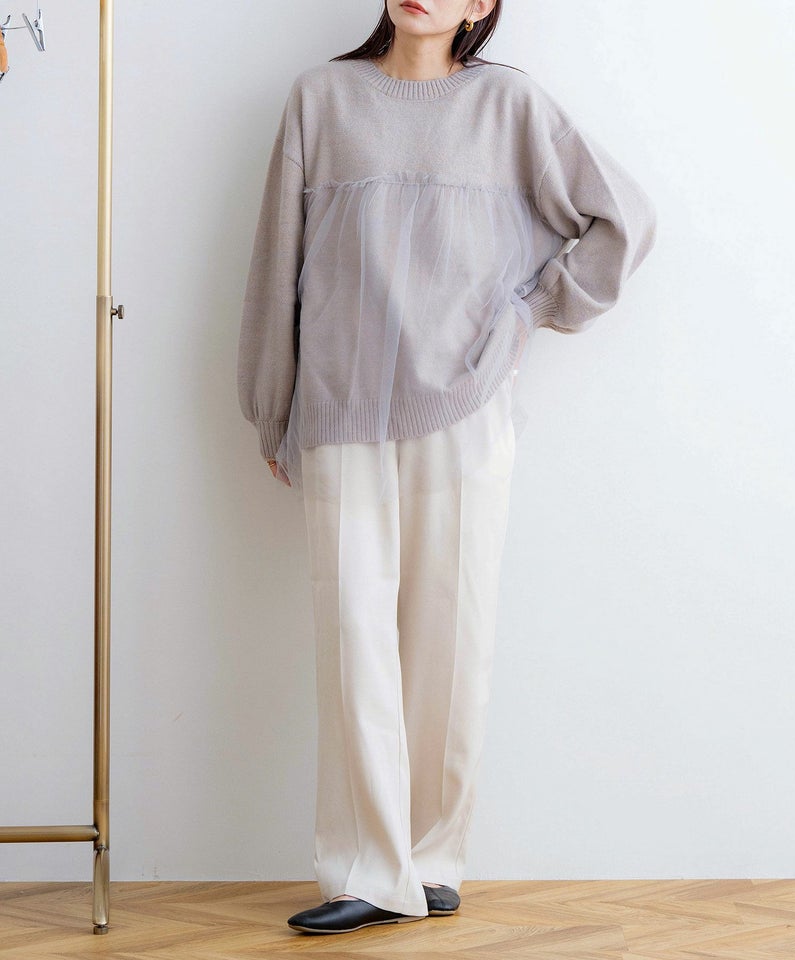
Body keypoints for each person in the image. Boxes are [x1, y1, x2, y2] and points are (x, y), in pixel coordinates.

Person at [237, 0, 657, 936]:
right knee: (353, 634)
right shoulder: (321, 99)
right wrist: (273, 400)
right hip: (341, 400)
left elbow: (621, 219)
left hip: (464, 404)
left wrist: (528, 312)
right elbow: (276, 258)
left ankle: (431, 860)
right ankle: (365, 867)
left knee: (451, 631)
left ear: (481, 6)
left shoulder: (509, 106)